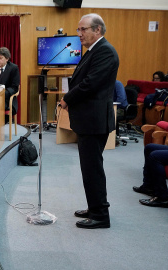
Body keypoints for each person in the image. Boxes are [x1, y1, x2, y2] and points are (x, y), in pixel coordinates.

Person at [59, 13, 119, 229]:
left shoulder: (105, 52)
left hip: (94, 121)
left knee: (92, 168)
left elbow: (90, 84)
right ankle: (94, 207)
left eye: (83, 29)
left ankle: (101, 215)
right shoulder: (93, 51)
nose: (79, 34)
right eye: (78, 29)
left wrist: (67, 98)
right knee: (90, 167)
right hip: (88, 120)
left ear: (98, 30)